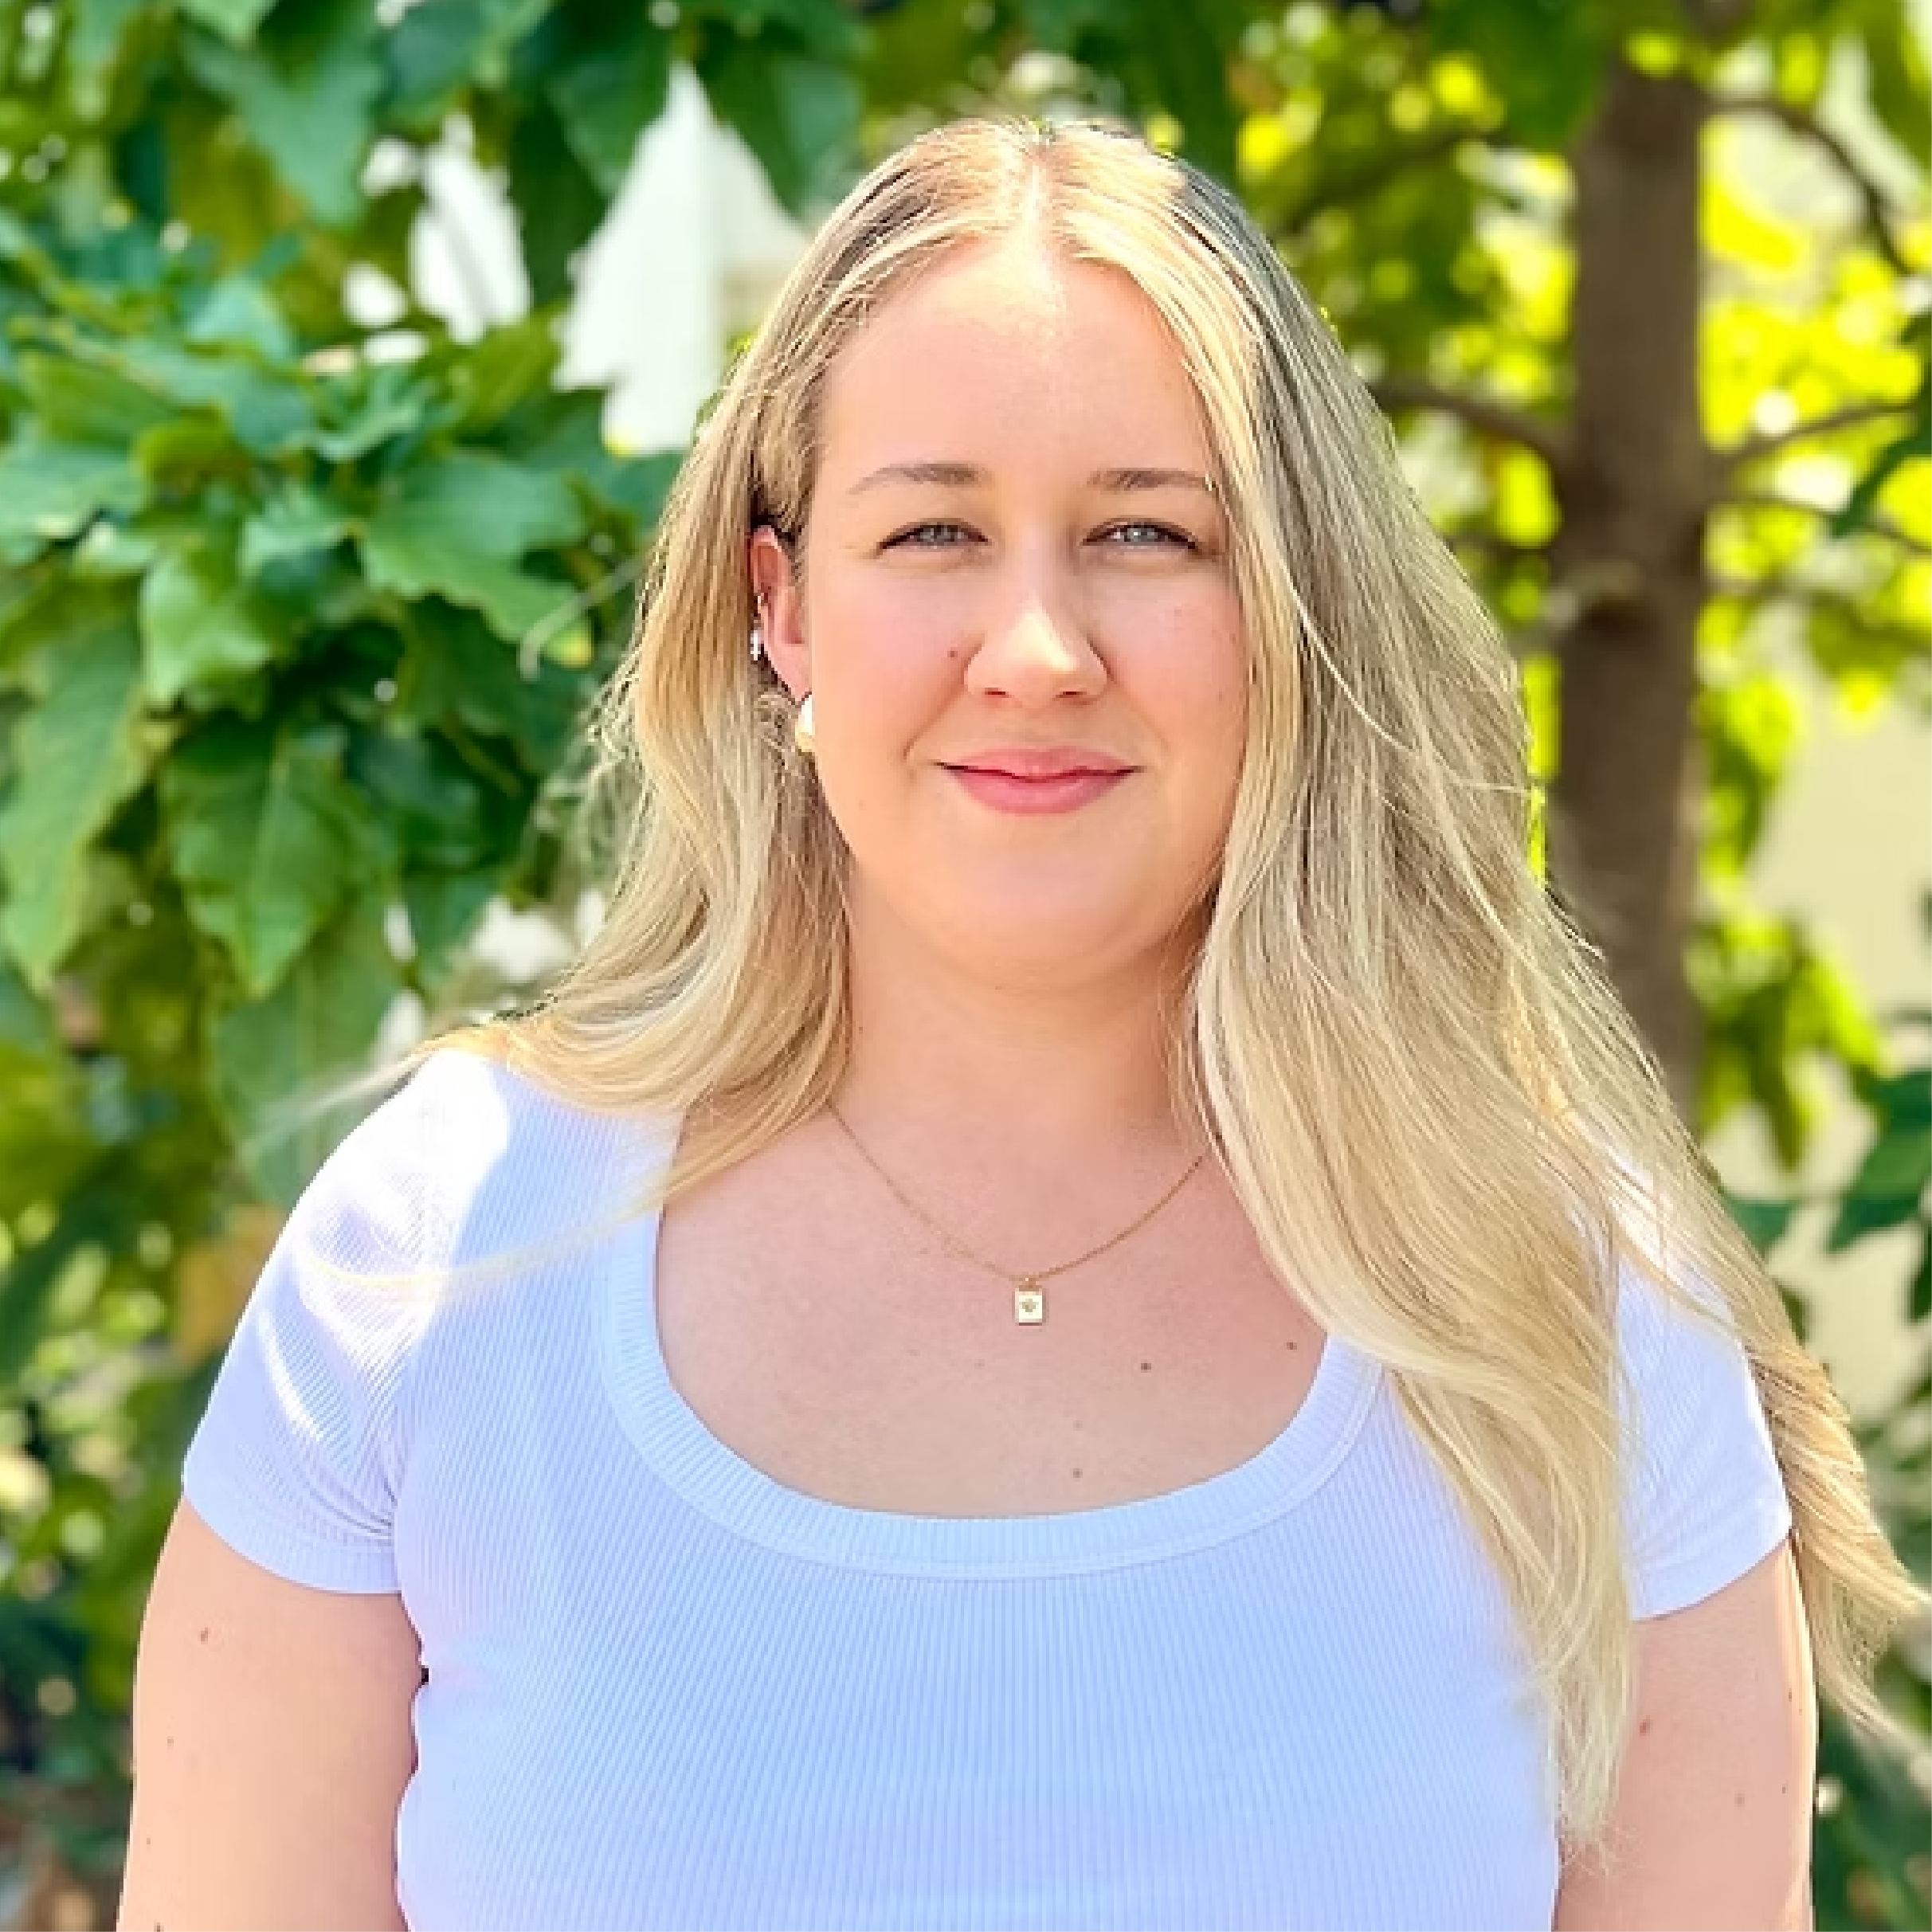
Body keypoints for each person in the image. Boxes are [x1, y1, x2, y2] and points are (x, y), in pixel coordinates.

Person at [118, 116, 1922, 1931]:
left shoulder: (1566, 1298)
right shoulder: (441, 1261)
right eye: (935, 530)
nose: (1040, 648)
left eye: (1147, 532)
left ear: (1292, 609)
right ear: (781, 610)